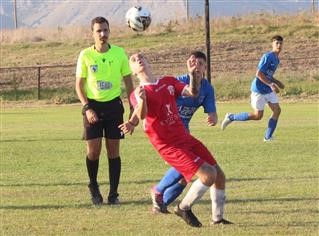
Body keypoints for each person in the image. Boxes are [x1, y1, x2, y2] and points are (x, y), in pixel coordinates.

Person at [119, 53, 232, 227]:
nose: (138, 59)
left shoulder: (168, 81)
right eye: (133, 60)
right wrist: (140, 103)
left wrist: (194, 76)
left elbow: (193, 92)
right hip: (168, 145)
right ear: (133, 71)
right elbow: (142, 115)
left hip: (184, 137)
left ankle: (217, 219)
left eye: (141, 57)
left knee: (220, 176)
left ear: (149, 61)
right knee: (208, 175)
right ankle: (183, 208)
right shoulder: (137, 94)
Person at [149, 51, 218, 214]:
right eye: (194, 63)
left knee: (185, 175)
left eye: (201, 64)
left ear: (205, 68)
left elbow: (212, 112)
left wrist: (213, 117)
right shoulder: (180, 82)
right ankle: (158, 191)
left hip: (182, 130)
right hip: (168, 130)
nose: (197, 67)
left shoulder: (207, 88)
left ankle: (160, 204)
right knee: (188, 166)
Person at [75, 16, 134, 205]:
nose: (103, 34)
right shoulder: (85, 55)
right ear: (92, 33)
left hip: (114, 107)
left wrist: (134, 107)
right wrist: (87, 107)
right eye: (99, 31)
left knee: (113, 151)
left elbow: (129, 83)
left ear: (109, 31)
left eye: (106, 30)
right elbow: (79, 85)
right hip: (93, 106)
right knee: (93, 151)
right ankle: (93, 187)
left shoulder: (119, 53)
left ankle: (113, 194)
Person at [221, 35, 285, 141]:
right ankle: (231, 117)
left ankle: (267, 137)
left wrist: (277, 82)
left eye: (280, 43)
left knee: (277, 110)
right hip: (259, 90)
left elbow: (267, 75)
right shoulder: (267, 56)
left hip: (268, 90)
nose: (279, 45)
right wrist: (271, 84)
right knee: (257, 116)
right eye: (276, 43)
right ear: (272, 44)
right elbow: (259, 73)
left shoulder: (277, 59)